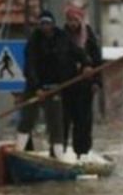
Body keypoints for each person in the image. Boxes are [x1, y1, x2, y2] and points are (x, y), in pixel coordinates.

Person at [16, 10, 92, 162]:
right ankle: (18, 151)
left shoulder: (62, 38)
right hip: (34, 87)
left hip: (55, 87)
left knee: (56, 122)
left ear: (52, 24)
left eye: (48, 23)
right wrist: (36, 87)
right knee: (27, 118)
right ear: (39, 25)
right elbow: (29, 67)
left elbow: (78, 53)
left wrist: (86, 65)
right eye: (43, 24)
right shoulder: (33, 41)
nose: (46, 27)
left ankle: (57, 156)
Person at [61, 5, 104, 165]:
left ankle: (83, 153)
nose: (72, 23)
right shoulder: (62, 36)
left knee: (84, 122)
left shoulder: (89, 36)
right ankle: (62, 152)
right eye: (70, 20)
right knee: (65, 121)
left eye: (75, 20)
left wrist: (96, 81)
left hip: (85, 87)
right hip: (67, 86)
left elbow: (97, 60)